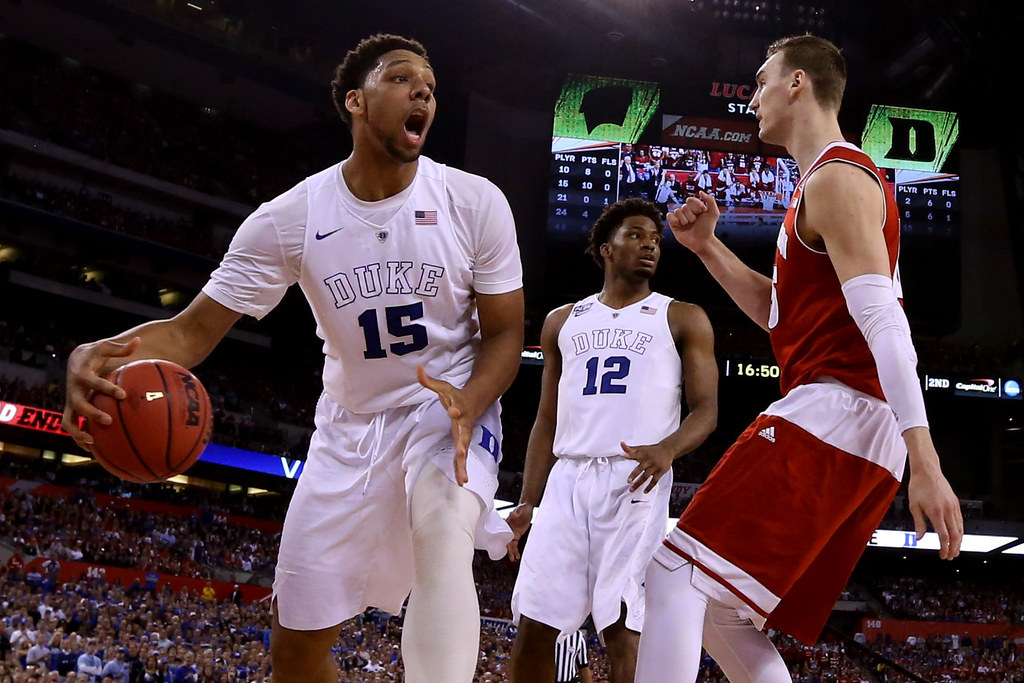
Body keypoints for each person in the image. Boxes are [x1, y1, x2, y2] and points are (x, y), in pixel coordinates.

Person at [61, 33, 524, 683]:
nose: (423, 90)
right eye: (401, 78)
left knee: (445, 521)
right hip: (348, 431)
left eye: (430, 84)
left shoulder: (475, 202)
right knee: (297, 657)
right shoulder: (291, 217)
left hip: (442, 408)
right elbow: (191, 334)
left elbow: (506, 333)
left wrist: (471, 402)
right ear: (356, 102)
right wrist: (97, 353)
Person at [634, 35, 963, 682]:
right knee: (722, 613)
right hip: (856, 424)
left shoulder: (841, 176)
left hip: (843, 408)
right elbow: (778, 313)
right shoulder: (818, 184)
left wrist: (925, 457)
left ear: (798, 85)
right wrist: (707, 247)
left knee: (671, 570)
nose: (751, 96)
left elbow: (883, 320)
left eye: (761, 81)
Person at [507, 198, 718, 682]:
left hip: (636, 480)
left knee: (623, 623)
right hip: (567, 478)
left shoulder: (682, 317)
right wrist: (527, 500)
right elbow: (546, 418)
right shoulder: (562, 321)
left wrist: (668, 448)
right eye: (637, 235)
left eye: (656, 240)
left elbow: (707, 411)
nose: (650, 245)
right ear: (606, 249)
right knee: (535, 623)